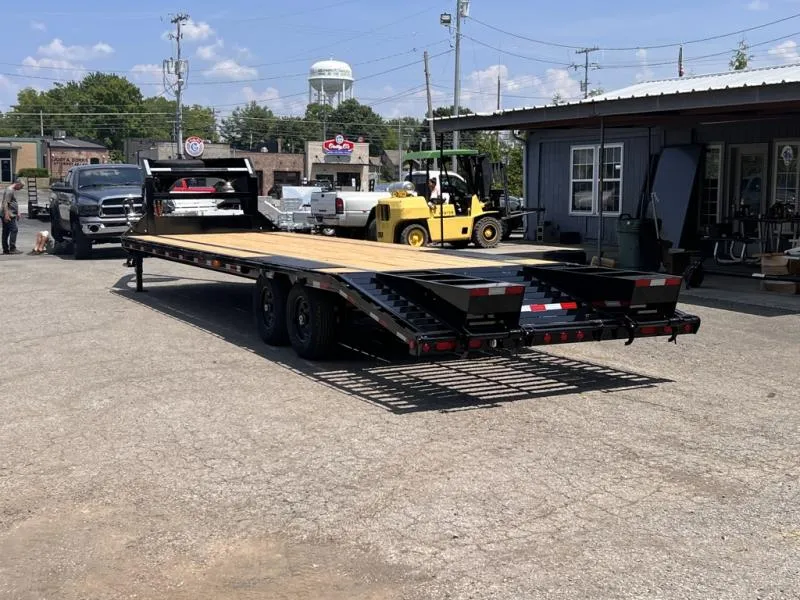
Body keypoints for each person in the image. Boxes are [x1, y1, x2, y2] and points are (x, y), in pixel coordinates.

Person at [1, 179, 24, 255]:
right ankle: (12, 248)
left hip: (11, 213)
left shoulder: (12, 190)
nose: (21, 188)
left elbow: (13, 202)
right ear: (18, 184)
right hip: (9, 214)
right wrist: (6, 215)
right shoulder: (9, 190)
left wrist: (18, 212)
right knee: (14, 229)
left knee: (6, 231)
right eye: (21, 186)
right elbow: (5, 203)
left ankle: (6, 249)